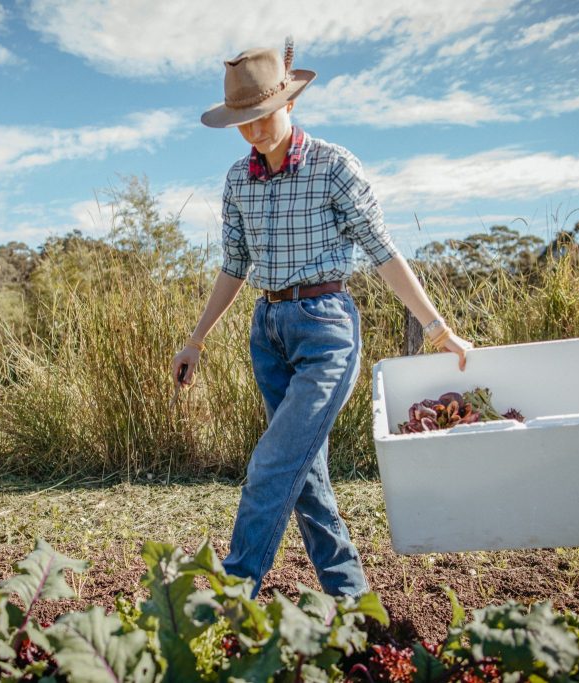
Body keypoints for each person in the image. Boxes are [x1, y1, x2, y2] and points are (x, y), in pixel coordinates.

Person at [170, 40, 472, 598]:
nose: (255, 131)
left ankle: (230, 600)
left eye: (262, 116)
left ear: (289, 102)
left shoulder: (335, 166)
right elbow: (234, 266)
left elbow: (384, 252)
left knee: (272, 464)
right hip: (269, 331)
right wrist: (196, 341)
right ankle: (353, 602)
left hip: (327, 331)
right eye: (243, 122)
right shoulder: (239, 180)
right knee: (305, 480)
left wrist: (437, 327)